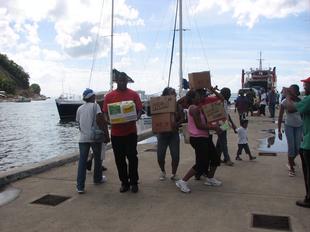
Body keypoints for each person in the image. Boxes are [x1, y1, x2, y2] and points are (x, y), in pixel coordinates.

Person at [103, 70, 143, 193]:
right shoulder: (109, 96)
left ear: (127, 81)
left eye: (124, 81)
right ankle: (124, 183)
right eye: (120, 80)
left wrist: (137, 117)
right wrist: (108, 121)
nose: (122, 83)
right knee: (119, 160)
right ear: (116, 81)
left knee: (132, 158)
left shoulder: (134, 94)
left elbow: (139, 110)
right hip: (116, 134)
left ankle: (134, 182)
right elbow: (105, 112)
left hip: (131, 132)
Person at [175, 89, 222, 193]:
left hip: (204, 137)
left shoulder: (199, 108)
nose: (200, 97)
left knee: (215, 158)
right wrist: (214, 128)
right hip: (197, 138)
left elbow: (206, 121)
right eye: (198, 96)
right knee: (201, 163)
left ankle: (210, 178)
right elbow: (199, 125)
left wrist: (215, 125)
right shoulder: (193, 109)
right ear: (192, 98)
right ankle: (182, 181)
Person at [76, 88, 107, 194]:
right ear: (92, 97)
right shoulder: (95, 106)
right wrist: (106, 134)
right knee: (97, 159)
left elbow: (79, 125)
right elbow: (100, 120)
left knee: (82, 162)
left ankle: (80, 186)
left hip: (82, 139)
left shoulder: (79, 109)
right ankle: (97, 179)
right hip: (94, 138)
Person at [286, 77, 310, 208]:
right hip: (301, 133)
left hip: (308, 142)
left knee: (308, 172)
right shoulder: (305, 100)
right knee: (293, 148)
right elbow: (299, 102)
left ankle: (308, 199)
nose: (304, 88)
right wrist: (292, 96)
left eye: (306, 85)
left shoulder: (309, 100)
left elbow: (290, 108)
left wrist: (288, 96)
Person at [157, 87, 185, 181]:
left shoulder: (178, 106)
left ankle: (174, 173)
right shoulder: (159, 104)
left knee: (176, 156)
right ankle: (162, 171)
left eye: (175, 94)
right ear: (166, 95)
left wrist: (177, 124)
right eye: (172, 93)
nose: (174, 95)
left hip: (174, 134)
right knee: (160, 156)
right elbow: (154, 116)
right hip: (162, 134)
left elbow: (182, 117)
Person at [278, 84, 303, 177]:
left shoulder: (301, 100)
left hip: (299, 126)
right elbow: (280, 117)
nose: (289, 92)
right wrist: (279, 131)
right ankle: (291, 167)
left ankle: (290, 161)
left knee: (298, 148)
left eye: (291, 90)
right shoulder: (284, 102)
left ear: (296, 92)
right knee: (291, 147)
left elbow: (293, 109)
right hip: (289, 126)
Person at [215, 87, 237, 166]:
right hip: (221, 124)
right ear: (225, 94)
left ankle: (217, 158)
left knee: (220, 142)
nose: (230, 94)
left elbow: (227, 114)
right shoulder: (220, 102)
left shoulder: (225, 102)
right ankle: (227, 159)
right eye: (229, 93)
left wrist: (232, 124)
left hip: (224, 124)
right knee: (223, 142)